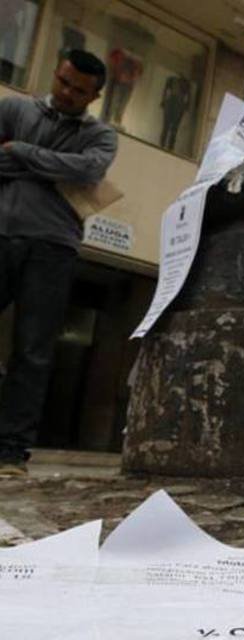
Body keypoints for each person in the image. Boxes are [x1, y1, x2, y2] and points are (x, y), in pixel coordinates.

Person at [0, 50, 117, 476]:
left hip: (54, 247)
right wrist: (55, 169)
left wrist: (22, 154)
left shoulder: (102, 136)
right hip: (1, 234)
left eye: (79, 90)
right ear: (56, 73)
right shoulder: (14, 109)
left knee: (33, 351)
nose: (67, 93)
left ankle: (11, 451)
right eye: (64, 82)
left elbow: (88, 172)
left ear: (95, 95)